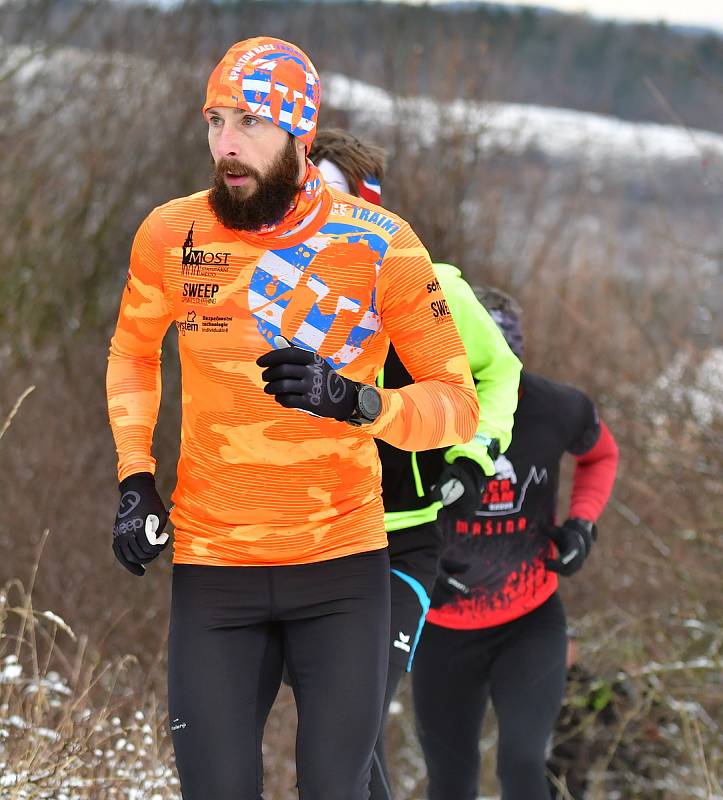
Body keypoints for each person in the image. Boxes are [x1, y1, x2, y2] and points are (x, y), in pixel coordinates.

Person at [106, 38, 482, 800]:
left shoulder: (380, 245)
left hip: (341, 573)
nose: (226, 144)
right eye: (214, 120)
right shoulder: (170, 236)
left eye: (249, 120)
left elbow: (456, 404)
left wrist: (355, 401)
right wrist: (136, 478)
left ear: (299, 131)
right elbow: (133, 355)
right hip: (214, 573)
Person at [309, 129, 522, 800]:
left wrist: (472, 457)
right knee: (334, 729)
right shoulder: (272, 288)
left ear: (367, 206)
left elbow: (499, 374)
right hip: (309, 537)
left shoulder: (433, 288)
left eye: (329, 196)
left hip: (403, 538)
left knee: (353, 716)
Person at [411, 286, 619, 800]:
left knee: (523, 767)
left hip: (529, 622)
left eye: (499, 367)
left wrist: (582, 525)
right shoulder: (427, 410)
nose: (486, 383)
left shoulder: (554, 407)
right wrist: (417, 573)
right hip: (441, 631)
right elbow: (371, 493)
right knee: (451, 783)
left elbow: (601, 454)